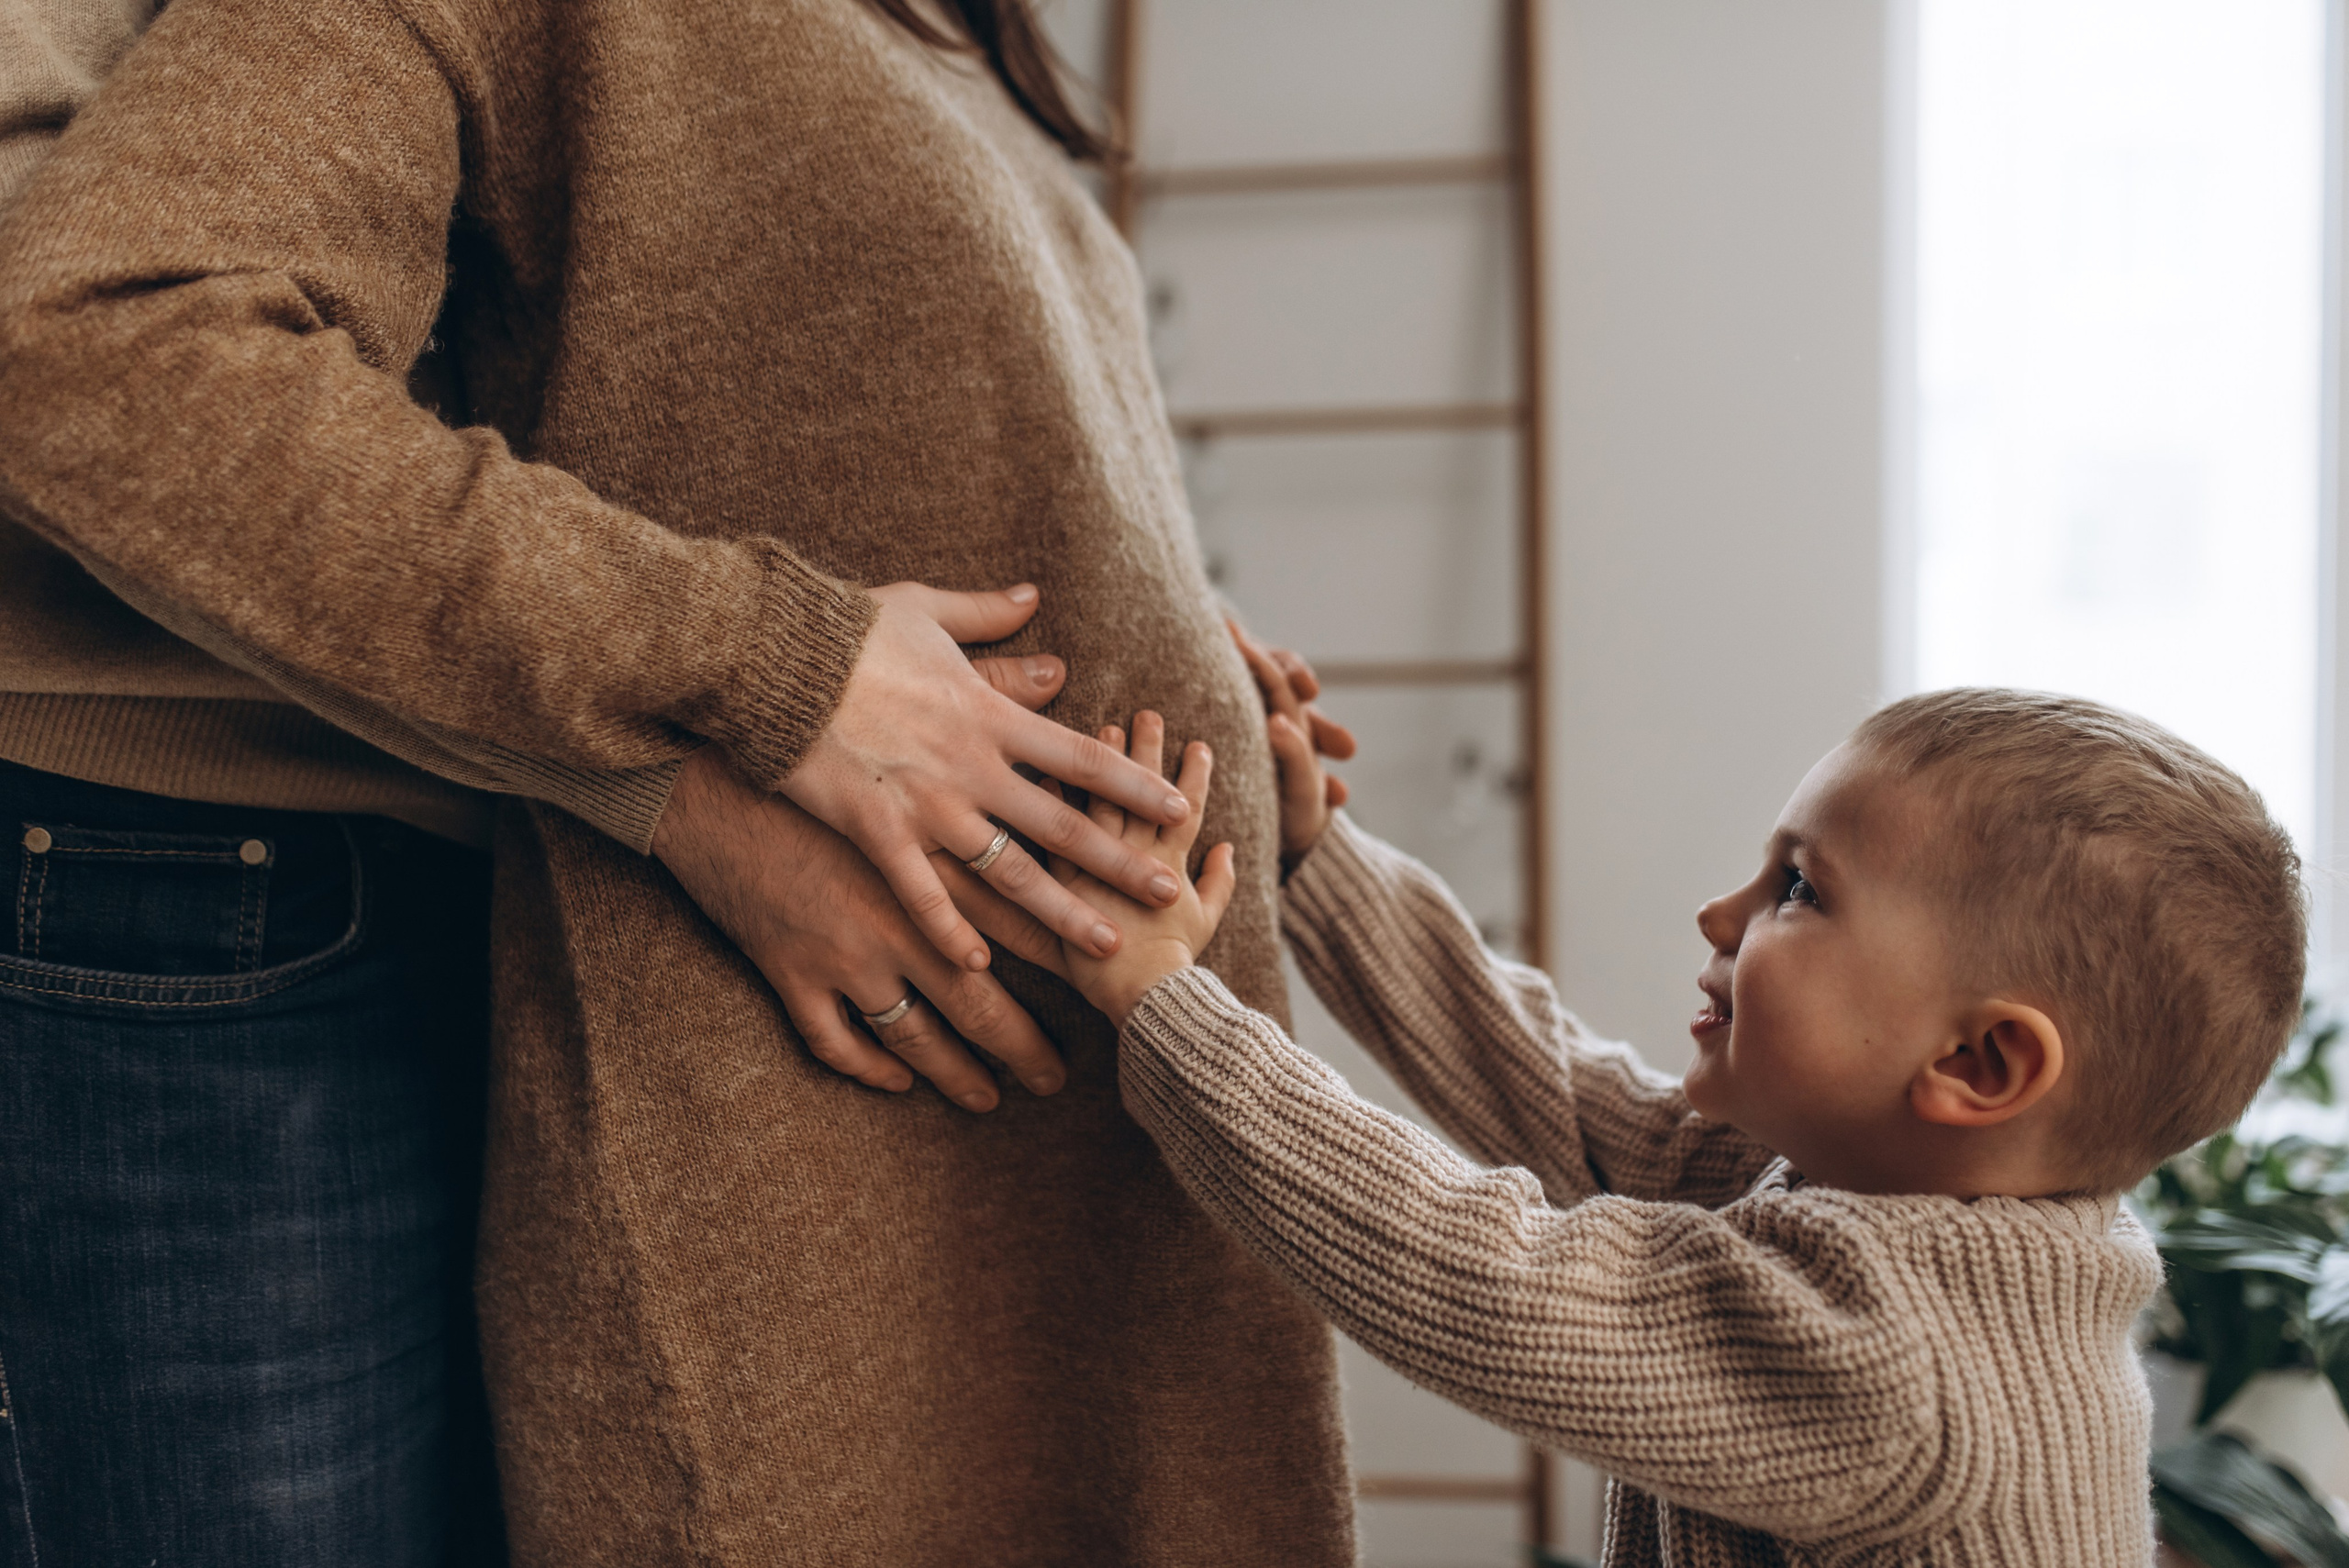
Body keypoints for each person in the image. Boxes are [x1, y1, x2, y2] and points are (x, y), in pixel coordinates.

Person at [0, 1, 1360, 1563]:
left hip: (1075, 1154)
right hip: (818, 1149)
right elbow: (107, 338)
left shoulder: (955, 46)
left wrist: (1207, 700)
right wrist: (765, 675)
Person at [988, 658, 2304, 1565]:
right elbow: (1554, 1089)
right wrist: (1320, 863)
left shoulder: (1891, 1352)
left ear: (1976, 1063)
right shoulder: (1878, 1194)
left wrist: (1167, 1001)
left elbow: (1488, 1278)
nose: (1720, 914)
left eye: (1799, 890)